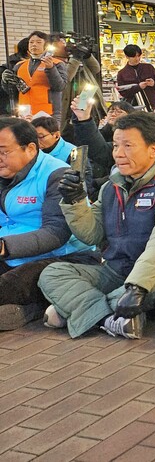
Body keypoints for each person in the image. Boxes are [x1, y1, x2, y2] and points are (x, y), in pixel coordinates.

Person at [39, 112, 155, 339]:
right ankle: (110, 319)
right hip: (117, 271)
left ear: (153, 149)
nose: (118, 154)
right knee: (52, 274)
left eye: (128, 146)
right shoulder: (111, 186)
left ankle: (80, 311)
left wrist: (137, 287)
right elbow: (91, 234)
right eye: (115, 146)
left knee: (133, 293)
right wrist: (74, 201)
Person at [0, 118, 95, 330]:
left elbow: (55, 233)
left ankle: (33, 310)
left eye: (4, 152)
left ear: (31, 149)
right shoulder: (5, 175)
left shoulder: (58, 175)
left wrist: (4, 246)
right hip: (13, 253)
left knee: (8, 286)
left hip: (63, 255)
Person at [2, 31, 67, 123]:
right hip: (24, 113)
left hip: (49, 112)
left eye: (38, 42)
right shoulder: (19, 65)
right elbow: (12, 90)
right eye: (31, 42)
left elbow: (59, 86)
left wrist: (51, 68)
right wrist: (5, 80)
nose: (34, 45)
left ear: (46, 45)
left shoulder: (57, 63)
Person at [115, 44, 155, 111]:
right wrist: (138, 87)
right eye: (134, 56)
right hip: (133, 106)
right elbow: (123, 92)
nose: (137, 58)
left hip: (151, 104)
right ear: (127, 56)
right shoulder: (122, 73)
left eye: (138, 56)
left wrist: (153, 83)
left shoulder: (148, 67)